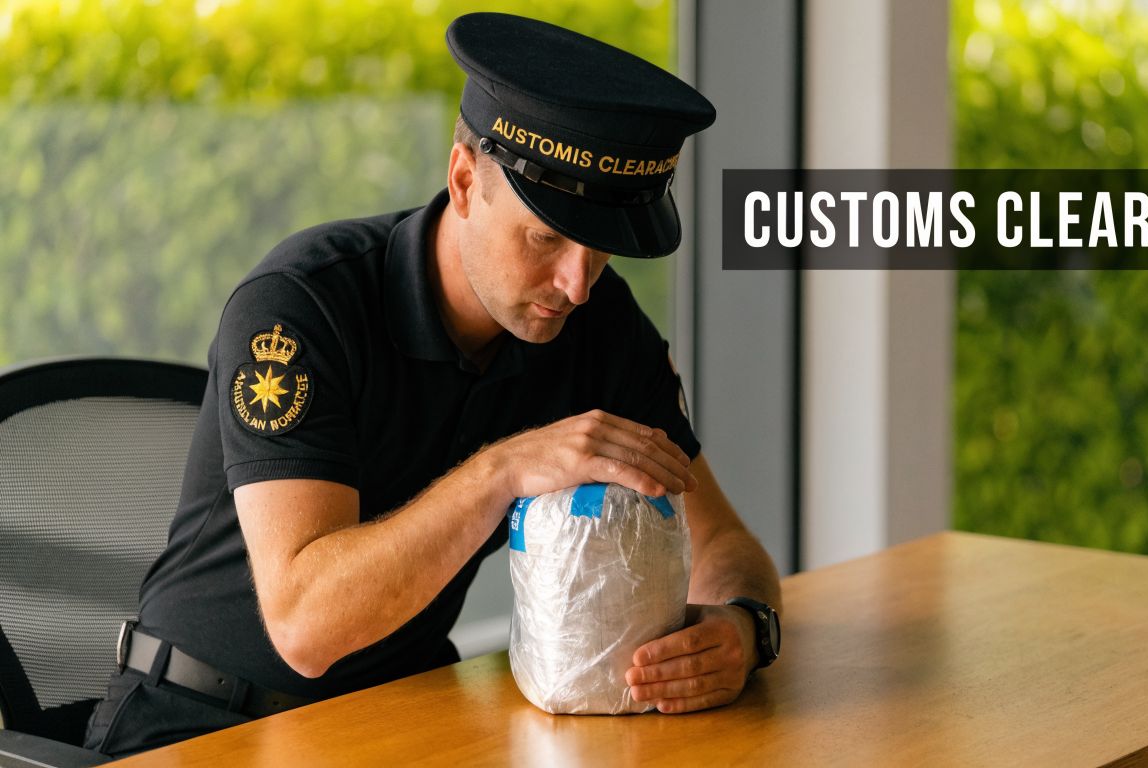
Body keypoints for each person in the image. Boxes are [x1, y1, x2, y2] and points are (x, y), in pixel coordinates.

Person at [83, 11, 781, 758]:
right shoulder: (301, 307)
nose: (576, 284)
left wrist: (743, 628)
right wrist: (505, 468)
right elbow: (305, 627)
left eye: (601, 250)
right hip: (199, 724)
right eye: (545, 237)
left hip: (397, 715)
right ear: (464, 180)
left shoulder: (596, 324)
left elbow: (722, 540)